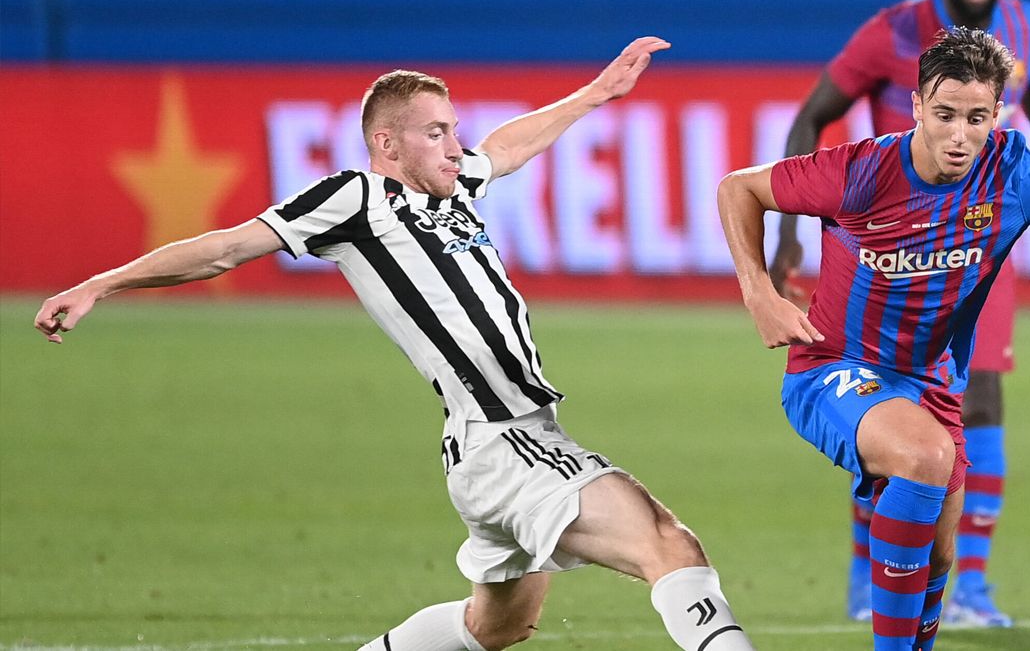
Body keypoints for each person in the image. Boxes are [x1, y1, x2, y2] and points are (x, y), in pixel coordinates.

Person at [35, 37, 756, 651]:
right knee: (668, 542)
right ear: (387, 144)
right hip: (504, 440)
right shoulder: (355, 198)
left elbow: (506, 147)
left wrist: (597, 92)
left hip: (488, 447)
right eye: (435, 131)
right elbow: (225, 247)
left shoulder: (454, 188)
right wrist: (105, 281)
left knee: (496, 626)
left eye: (452, 127)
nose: (455, 142)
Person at [718, 27, 1030, 651]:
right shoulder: (859, 171)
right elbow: (739, 187)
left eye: (976, 117)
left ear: (998, 113)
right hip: (831, 368)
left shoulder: (1014, 173)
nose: (960, 134)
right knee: (924, 458)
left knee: (937, 552)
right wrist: (759, 293)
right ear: (918, 104)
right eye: (946, 113)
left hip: (931, 384)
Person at [770, 0, 1030, 627]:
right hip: (885, 250)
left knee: (984, 396)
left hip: (975, 241)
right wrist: (791, 232)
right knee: (886, 413)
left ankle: (969, 584)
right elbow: (812, 112)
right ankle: (868, 574)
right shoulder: (891, 31)